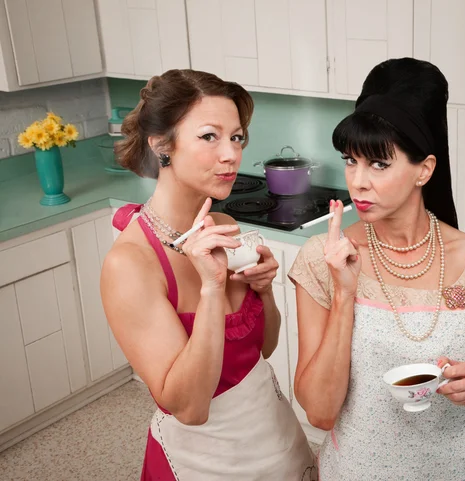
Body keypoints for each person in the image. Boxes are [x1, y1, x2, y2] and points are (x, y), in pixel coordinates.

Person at [288, 58, 465, 480]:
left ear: (424, 170)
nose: (357, 181)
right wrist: (344, 294)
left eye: (379, 164)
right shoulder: (324, 258)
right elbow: (320, 414)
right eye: (350, 160)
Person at [100, 69, 316, 481]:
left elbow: (264, 348)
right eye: (209, 136)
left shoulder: (222, 223)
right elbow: (191, 407)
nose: (231, 154)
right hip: (204, 463)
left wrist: (264, 291)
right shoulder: (130, 264)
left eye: (236, 137)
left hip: (277, 441)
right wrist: (213, 291)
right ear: (162, 145)